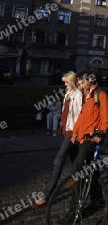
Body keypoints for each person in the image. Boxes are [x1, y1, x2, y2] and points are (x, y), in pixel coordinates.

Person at [58, 72, 108, 225]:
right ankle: (97, 199)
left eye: (82, 83)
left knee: (77, 167)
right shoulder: (87, 95)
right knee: (91, 168)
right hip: (82, 137)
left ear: (91, 81)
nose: (80, 86)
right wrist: (75, 132)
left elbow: (106, 117)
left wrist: (102, 132)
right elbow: (81, 117)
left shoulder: (101, 95)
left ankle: (75, 209)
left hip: (93, 137)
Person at [31, 71, 82, 208]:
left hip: (72, 132)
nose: (65, 84)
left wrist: (75, 133)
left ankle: (47, 195)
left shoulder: (78, 94)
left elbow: (78, 115)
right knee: (77, 162)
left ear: (72, 81)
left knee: (59, 160)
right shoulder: (68, 93)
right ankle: (84, 186)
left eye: (66, 81)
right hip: (67, 130)